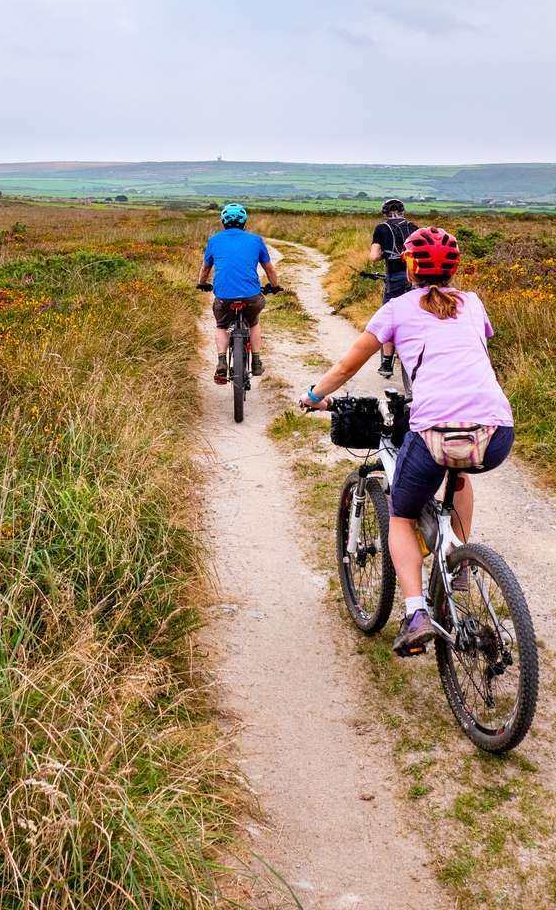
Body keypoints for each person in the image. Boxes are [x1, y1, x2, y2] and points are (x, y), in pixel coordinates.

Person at [299, 226, 513, 656]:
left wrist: (313, 396)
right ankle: (459, 562)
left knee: (401, 514)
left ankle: (416, 613)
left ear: (410, 267)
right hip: (495, 431)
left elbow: (346, 366)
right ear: (455, 268)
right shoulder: (472, 303)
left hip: (435, 428)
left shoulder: (397, 308)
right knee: (458, 475)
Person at [197, 203, 281, 384]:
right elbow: (269, 269)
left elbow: (205, 268)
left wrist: (202, 283)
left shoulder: (214, 240)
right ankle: (256, 360)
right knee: (253, 322)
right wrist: (274, 286)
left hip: (224, 297)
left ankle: (221, 361)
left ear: (223, 222)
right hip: (251, 296)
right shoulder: (256, 240)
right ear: (244, 222)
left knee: (221, 325)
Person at [369, 198, 417, 378]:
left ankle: (387, 363)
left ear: (385, 213)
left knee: (390, 319)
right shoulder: (414, 227)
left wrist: (384, 255)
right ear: (403, 211)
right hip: (415, 278)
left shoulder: (381, 229)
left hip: (395, 278)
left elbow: (374, 257)